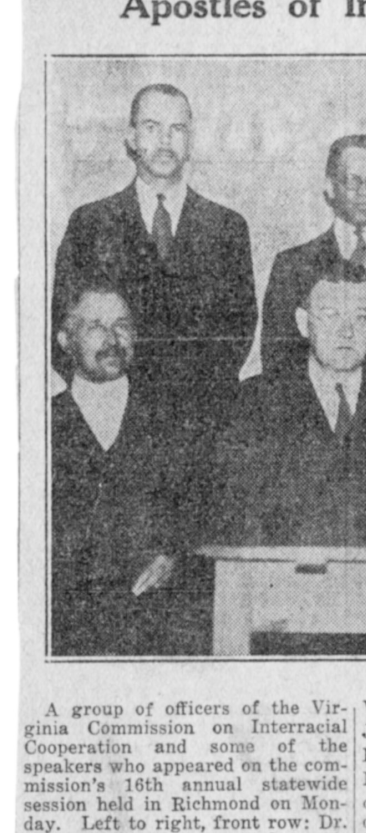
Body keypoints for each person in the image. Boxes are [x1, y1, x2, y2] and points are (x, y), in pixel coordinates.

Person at [52, 83, 258, 424]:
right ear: (132, 137)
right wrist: (103, 400)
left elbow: (239, 332)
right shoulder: (90, 223)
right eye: (152, 128)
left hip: (202, 422)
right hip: (112, 420)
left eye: (176, 129)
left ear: (190, 140)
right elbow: (63, 329)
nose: (165, 141)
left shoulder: (227, 227)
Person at [216, 270, 366, 546]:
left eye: (360, 318)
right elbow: (233, 517)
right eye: (330, 315)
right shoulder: (255, 404)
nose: (346, 331)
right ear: (303, 322)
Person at [51, 275, 199, 656]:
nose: (112, 339)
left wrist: (174, 556)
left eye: (122, 326)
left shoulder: (175, 419)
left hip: (156, 626)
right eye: (95, 326)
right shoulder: (39, 424)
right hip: (64, 629)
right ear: (65, 340)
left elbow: (202, 508)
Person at [260, 134, 366, 378]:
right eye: (353, 182)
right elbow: (278, 367)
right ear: (330, 186)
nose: (365, 193)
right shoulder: (293, 265)